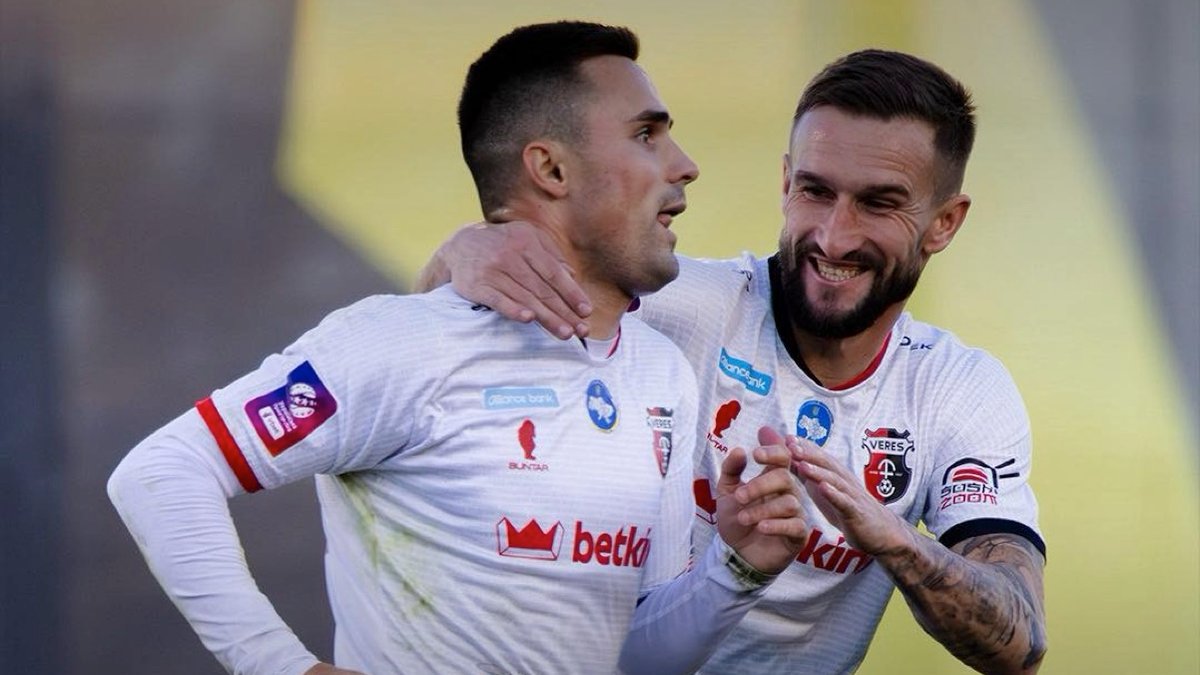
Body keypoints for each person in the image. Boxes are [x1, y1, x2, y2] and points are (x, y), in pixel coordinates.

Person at [107, 21, 813, 675]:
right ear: (551, 170)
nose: (685, 165)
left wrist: (736, 572)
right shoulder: (406, 342)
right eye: (646, 135)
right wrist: (282, 665)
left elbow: (632, 656)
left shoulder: (660, 374)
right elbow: (162, 472)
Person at [422, 49, 1048, 674]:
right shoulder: (672, 305)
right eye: (815, 191)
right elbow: (430, 338)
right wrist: (461, 251)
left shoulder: (957, 390)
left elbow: (1019, 645)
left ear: (944, 223)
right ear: (785, 184)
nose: (834, 236)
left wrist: (894, 539)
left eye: (879, 203)